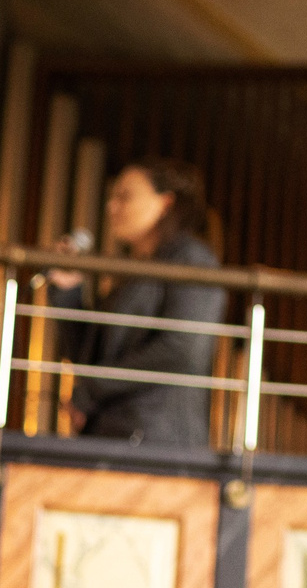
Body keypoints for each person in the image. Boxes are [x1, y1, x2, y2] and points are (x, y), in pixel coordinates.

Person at [45, 158, 228, 449]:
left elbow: (182, 350)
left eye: (124, 197)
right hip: (113, 433)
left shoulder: (192, 258)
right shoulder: (132, 273)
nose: (111, 207)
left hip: (156, 440)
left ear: (165, 203)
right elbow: (89, 357)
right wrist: (68, 292)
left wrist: (92, 390)